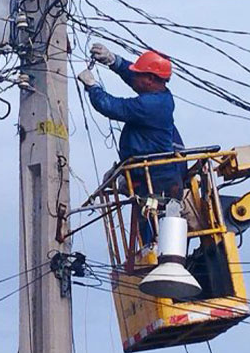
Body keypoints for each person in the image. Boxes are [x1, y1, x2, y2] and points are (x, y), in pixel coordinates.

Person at [77, 43, 186, 241]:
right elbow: (135, 79)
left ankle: (155, 255)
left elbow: (112, 107)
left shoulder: (151, 105)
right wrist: (113, 61)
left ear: (152, 79)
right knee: (150, 230)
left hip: (156, 182)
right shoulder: (157, 95)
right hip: (151, 179)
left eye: (140, 74)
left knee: (156, 239)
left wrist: (93, 87)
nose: (135, 77)